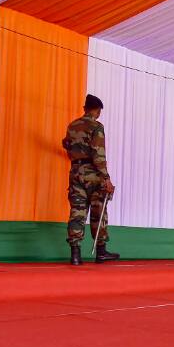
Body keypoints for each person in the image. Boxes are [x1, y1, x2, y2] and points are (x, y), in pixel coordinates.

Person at [62, 94, 120, 265]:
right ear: (98, 111)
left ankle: (75, 255)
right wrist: (106, 179)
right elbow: (98, 155)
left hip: (75, 173)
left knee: (77, 213)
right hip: (94, 175)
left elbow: (65, 144)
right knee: (98, 212)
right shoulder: (97, 127)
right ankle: (100, 252)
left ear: (84, 108)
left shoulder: (72, 126)